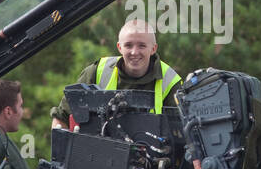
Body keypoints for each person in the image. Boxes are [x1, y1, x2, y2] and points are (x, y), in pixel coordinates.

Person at [51, 19, 181, 128]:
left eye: (142, 46)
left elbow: (184, 136)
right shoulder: (96, 71)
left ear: (153, 49)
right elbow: (61, 118)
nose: (134, 52)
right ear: (119, 47)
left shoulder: (171, 81)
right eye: (128, 45)